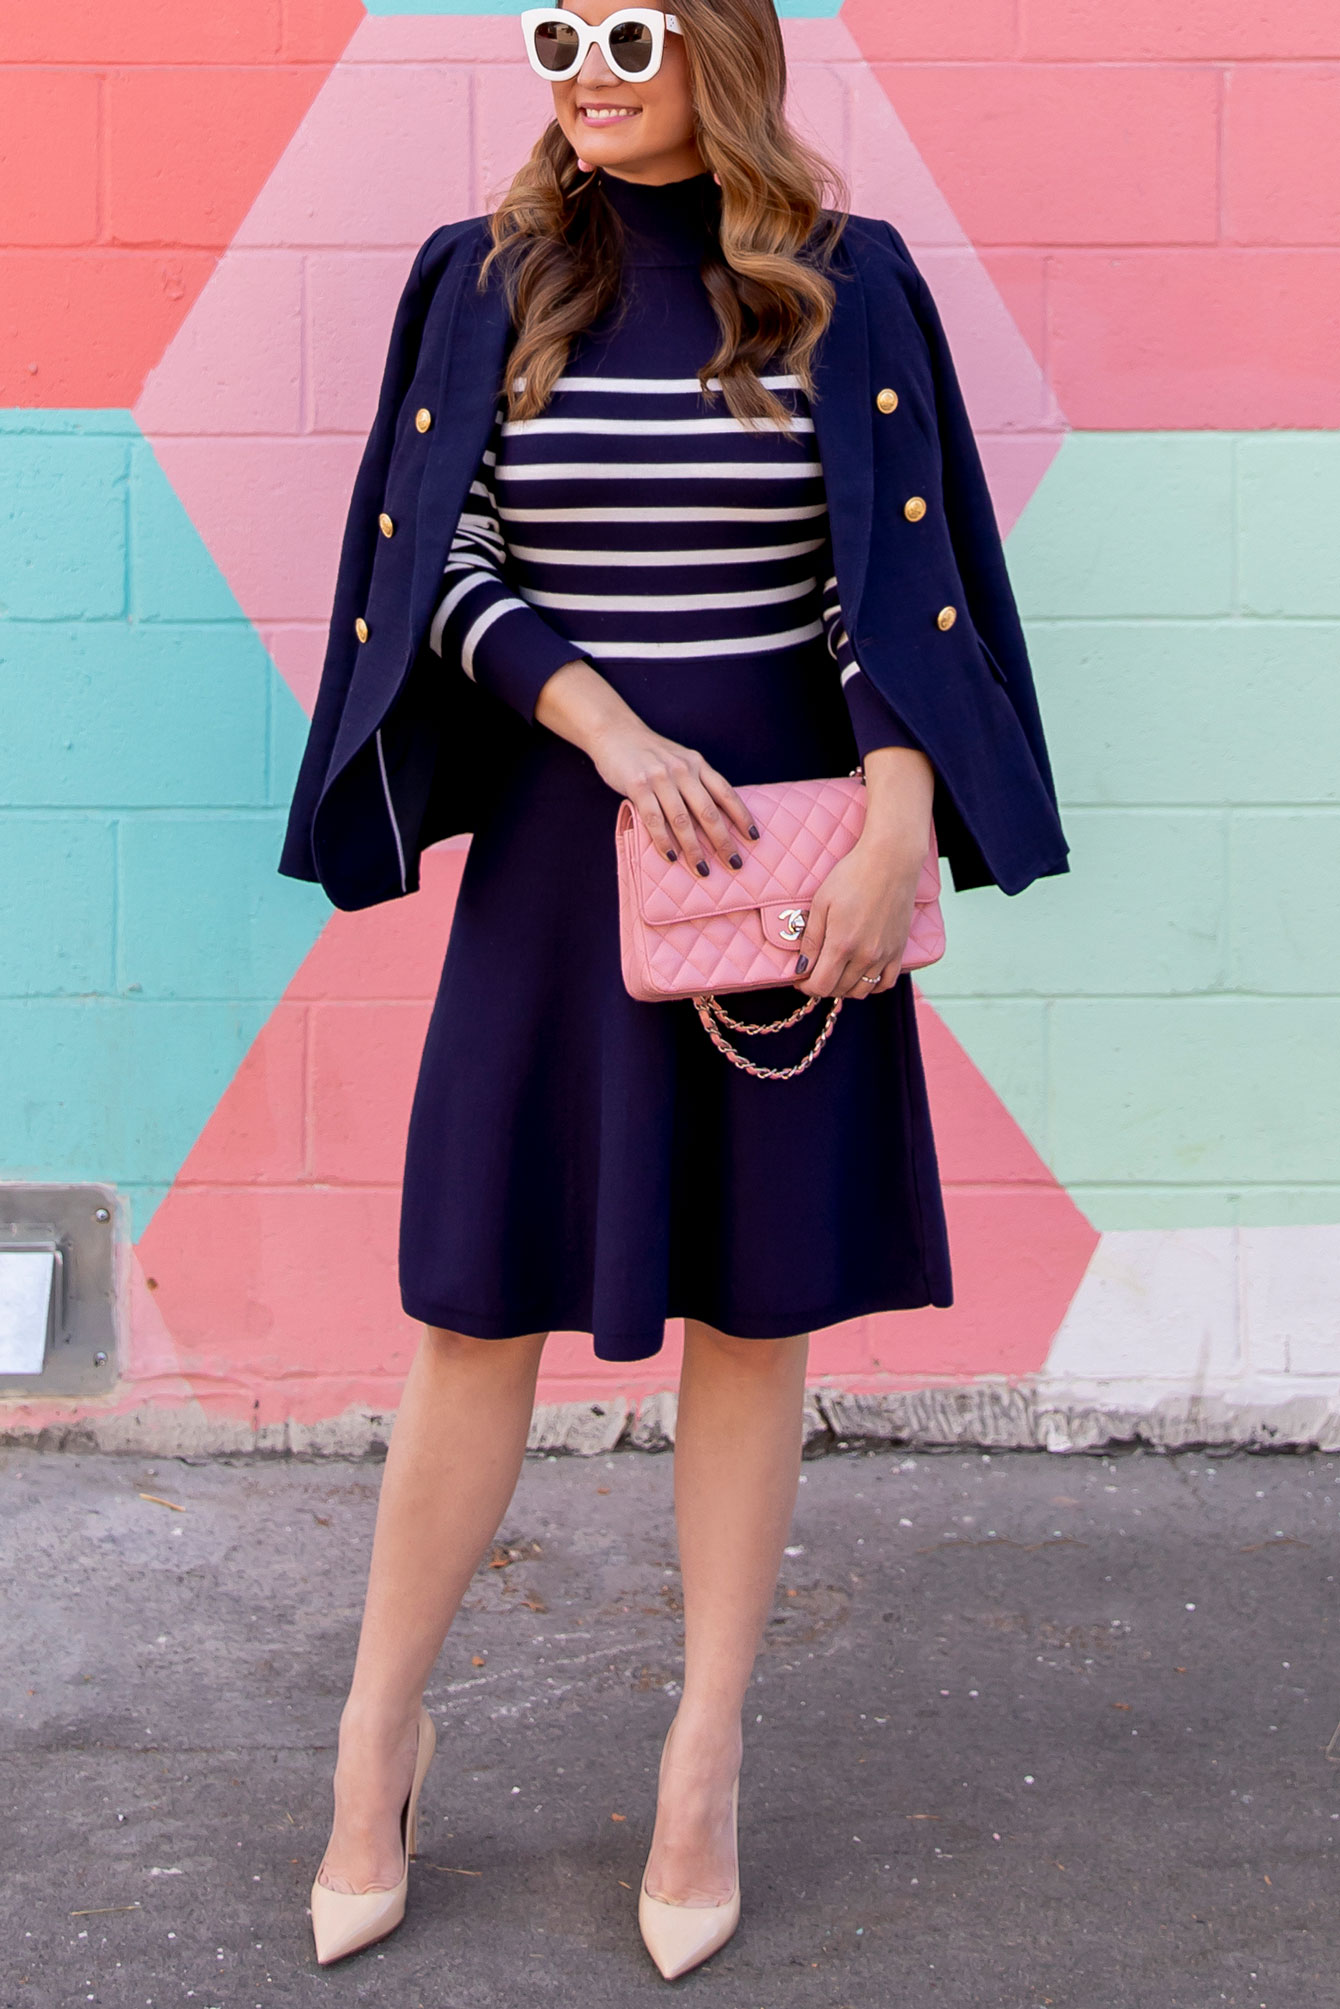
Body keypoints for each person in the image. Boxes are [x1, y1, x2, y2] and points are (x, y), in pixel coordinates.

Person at [279, 0, 1069, 1978]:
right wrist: (605, 725)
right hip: (572, 858)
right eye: (554, 28)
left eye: (626, 26)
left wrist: (900, 824)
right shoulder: (483, 278)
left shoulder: (841, 279)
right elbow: (436, 552)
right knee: (474, 1304)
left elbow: (891, 573)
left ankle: (701, 1761)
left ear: (718, 43)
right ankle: (377, 1745)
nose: (584, 64)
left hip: (786, 863)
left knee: (752, 1299)